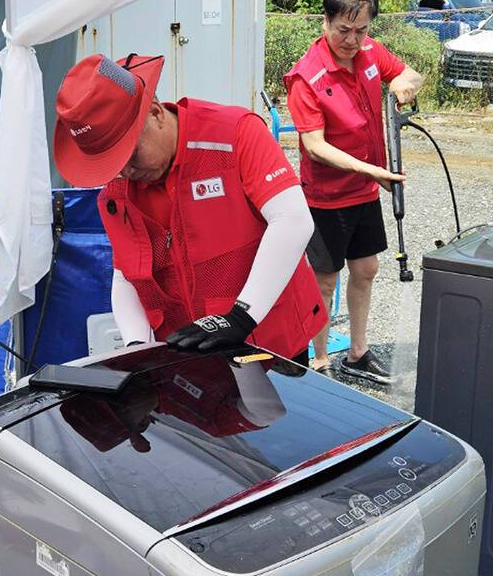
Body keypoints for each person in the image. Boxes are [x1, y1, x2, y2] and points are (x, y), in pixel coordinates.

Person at [53, 53, 327, 365]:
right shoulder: (118, 194)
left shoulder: (234, 134)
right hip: (188, 354)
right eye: (113, 163)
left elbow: (293, 219)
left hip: (268, 340)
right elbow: (125, 274)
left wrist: (241, 316)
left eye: (131, 154)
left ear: (155, 114)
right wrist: (137, 348)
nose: (126, 171)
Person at [285, 0, 424, 383]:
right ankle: (319, 360)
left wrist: (404, 84)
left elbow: (409, 74)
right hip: (327, 196)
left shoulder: (370, 53)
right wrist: (371, 171)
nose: (352, 40)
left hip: (365, 191)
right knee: (324, 279)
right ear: (325, 21)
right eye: (344, 29)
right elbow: (314, 147)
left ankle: (358, 354)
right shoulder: (306, 77)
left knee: (366, 268)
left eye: (361, 30)